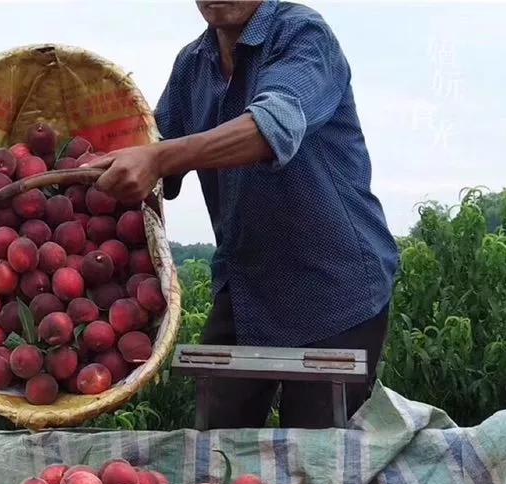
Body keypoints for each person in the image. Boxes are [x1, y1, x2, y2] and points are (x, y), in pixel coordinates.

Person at [85, 0, 399, 429]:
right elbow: (155, 155)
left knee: (314, 463)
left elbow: (273, 127)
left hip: (333, 289)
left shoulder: (303, 36)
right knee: (216, 452)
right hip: (247, 286)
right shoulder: (193, 65)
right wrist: (91, 162)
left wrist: (157, 158)